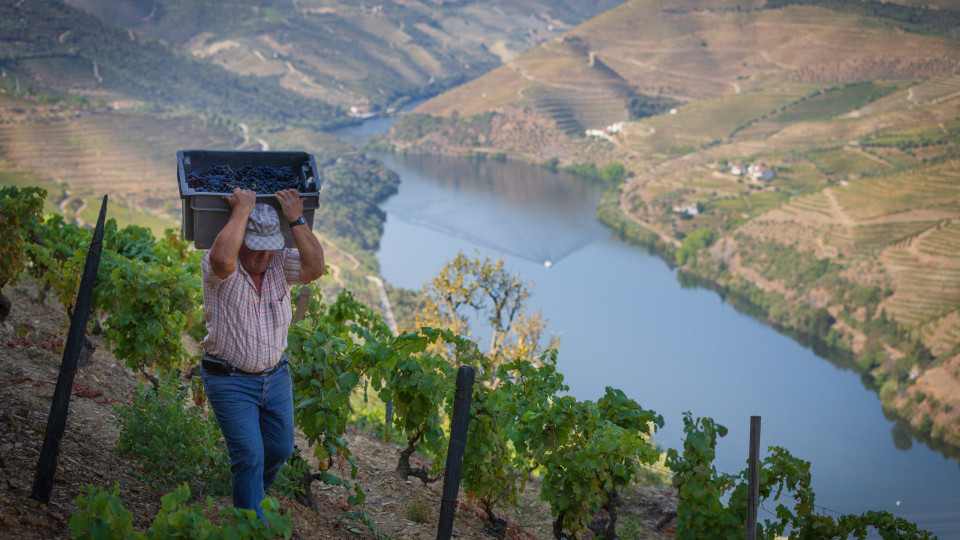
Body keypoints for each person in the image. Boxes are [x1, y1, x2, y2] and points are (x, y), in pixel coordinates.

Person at [199, 187, 324, 517]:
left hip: (276, 377)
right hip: (229, 380)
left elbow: (315, 268)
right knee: (250, 455)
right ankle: (252, 523)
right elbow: (223, 258)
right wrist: (242, 209)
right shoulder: (219, 268)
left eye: (271, 247)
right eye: (256, 247)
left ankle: (250, 494)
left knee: (280, 449)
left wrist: (296, 218)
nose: (265, 256)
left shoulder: (280, 263)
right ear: (241, 240)